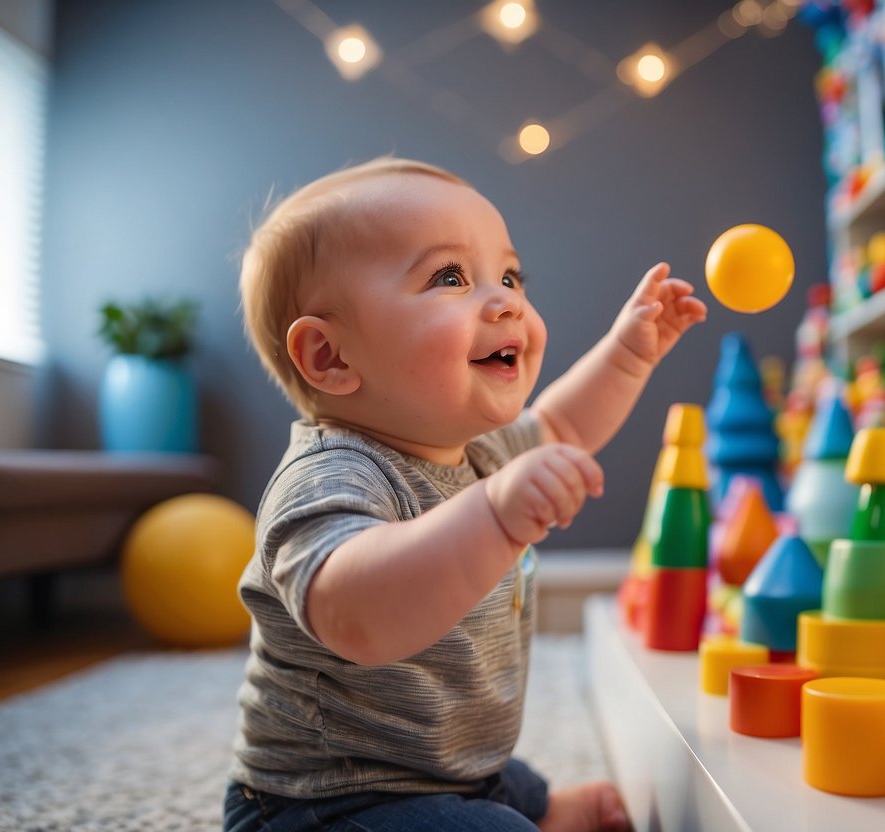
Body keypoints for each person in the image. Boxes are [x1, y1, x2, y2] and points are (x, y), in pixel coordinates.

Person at [225, 156, 707, 832]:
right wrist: (493, 515)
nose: (505, 299)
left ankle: (524, 807)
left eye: (508, 276)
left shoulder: (481, 452)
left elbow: (565, 424)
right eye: (448, 277)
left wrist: (628, 355)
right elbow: (356, 616)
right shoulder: (332, 475)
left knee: (507, 786)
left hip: (444, 764)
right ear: (332, 358)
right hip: (324, 803)